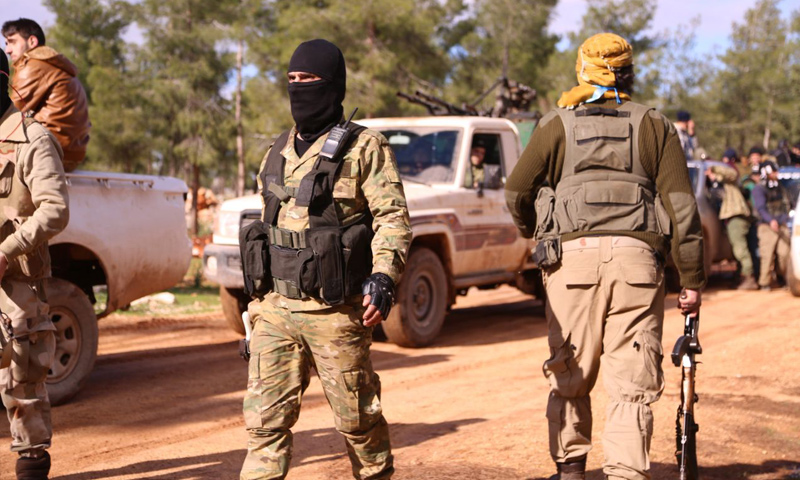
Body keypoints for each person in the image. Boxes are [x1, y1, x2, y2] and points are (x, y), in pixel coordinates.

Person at [505, 33, 704, 480]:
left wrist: (532, 232)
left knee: (570, 369)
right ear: (629, 71)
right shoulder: (654, 125)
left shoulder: (555, 124)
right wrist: (691, 279)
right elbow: (682, 207)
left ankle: (571, 470)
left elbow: (517, 189)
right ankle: (626, 473)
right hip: (637, 263)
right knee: (631, 379)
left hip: (570, 263)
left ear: (582, 68)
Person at [239, 39, 411, 480]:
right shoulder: (276, 149)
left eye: (309, 80)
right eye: (292, 80)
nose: (298, 89)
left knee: (359, 421)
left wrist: (384, 276)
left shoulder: (365, 147)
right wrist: (254, 309)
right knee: (264, 426)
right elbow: (269, 228)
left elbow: (392, 218)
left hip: (335, 310)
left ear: (333, 86)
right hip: (275, 310)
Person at [0, 51, 69, 480]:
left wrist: (7, 250)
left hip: (17, 284)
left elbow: (55, 210)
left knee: (22, 383)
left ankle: (31, 463)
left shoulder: (33, 139)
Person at [2, 18, 90, 172]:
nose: (8, 50)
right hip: (70, 152)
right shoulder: (55, 65)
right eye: (6, 44)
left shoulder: (34, 65)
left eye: (12, 42)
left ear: (32, 41)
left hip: (48, 150)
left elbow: (8, 113)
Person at [705, 162, 758, 290]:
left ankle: (749, 278)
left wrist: (713, 168)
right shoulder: (715, 183)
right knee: (738, 249)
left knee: (740, 249)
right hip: (732, 217)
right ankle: (741, 277)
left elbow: (732, 173)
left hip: (736, 215)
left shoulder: (728, 181)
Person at [751, 160, 791, 290]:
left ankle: (781, 277)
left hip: (781, 224)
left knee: (784, 254)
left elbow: (786, 204)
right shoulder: (759, 189)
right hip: (766, 226)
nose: (776, 174)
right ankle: (764, 282)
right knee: (767, 255)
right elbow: (761, 208)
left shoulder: (779, 187)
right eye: (774, 171)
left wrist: (783, 218)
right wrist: (770, 220)